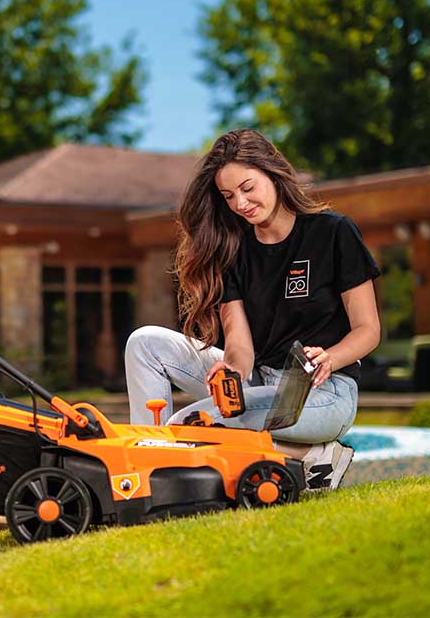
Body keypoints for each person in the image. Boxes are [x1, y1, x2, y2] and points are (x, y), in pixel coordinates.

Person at [125, 129, 381, 490]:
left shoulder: (333, 232)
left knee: (188, 424)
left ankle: (301, 454)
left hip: (323, 394)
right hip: (257, 382)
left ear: (273, 173)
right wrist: (230, 369)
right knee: (144, 343)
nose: (240, 203)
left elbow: (368, 330)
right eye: (229, 196)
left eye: (248, 188)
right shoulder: (233, 250)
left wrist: (330, 358)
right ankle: (145, 466)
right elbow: (240, 346)